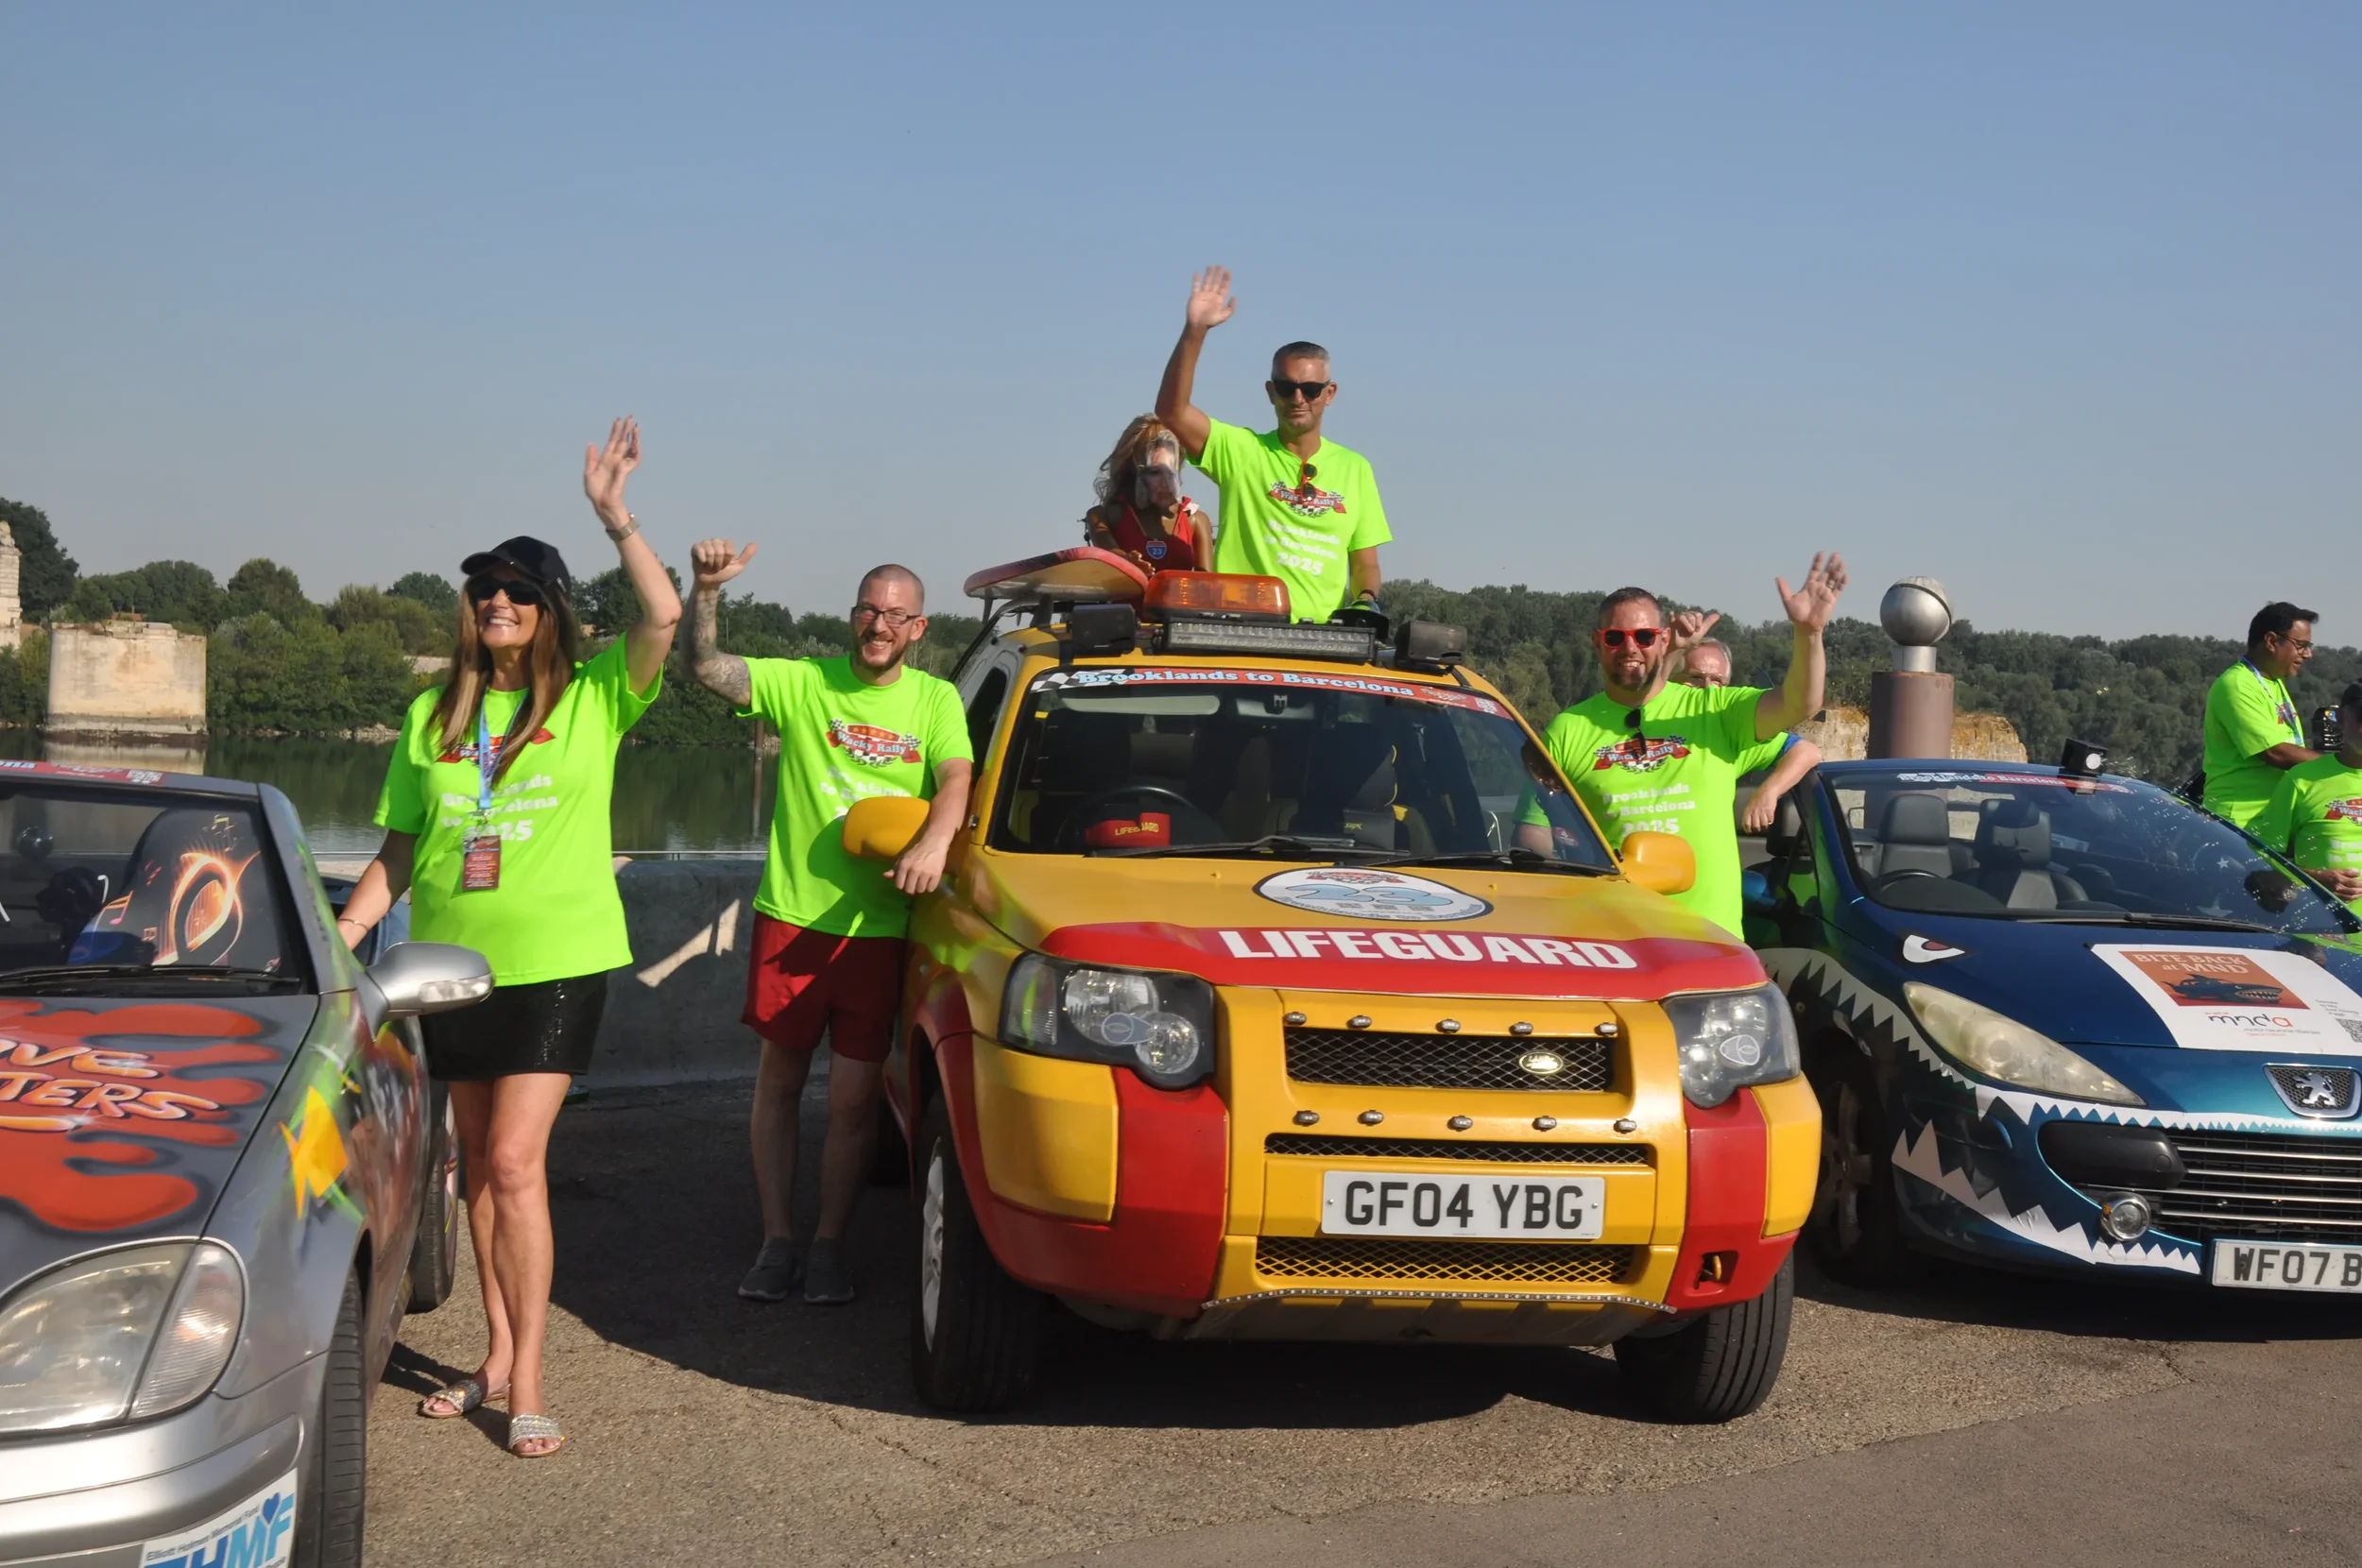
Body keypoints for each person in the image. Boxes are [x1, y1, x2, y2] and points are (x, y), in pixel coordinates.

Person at [339, 418, 680, 1458]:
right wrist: (344, 931)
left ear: (549, 614)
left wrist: (615, 516)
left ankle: (526, 1376)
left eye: (519, 591)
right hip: (449, 972)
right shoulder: (430, 718)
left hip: (559, 966)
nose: (498, 601)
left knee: (519, 1161)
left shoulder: (593, 700)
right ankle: (492, 1350)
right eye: (485, 589)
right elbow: (400, 848)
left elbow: (665, 612)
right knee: (476, 1169)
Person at [686, 542, 974, 1306]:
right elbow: (707, 669)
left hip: (877, 930)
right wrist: (706, 593)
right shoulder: (806, 682)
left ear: (918, 627)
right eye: (867, 610)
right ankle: (777, 1239)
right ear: (854, 618)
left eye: (893, 614)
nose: (877, 624)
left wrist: (939, 839)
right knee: (778, 1083)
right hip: (793, 919)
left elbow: (956, 780)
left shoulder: (935, 702)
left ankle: (829, 1247)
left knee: (852, 1102)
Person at [1515, 556, 1849, 936]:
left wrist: (1808, 633)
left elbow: (1799, 703)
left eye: (1642, 637)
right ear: (1597, 643)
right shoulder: (1566, 730)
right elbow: (1533, 833)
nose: (1630, 647)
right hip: (1612, 940)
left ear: (1662, 640)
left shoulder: (1715, 710)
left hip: (1710, 943)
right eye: (1615, 637)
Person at [1153, 266, 1390, 622]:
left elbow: (1364, 561)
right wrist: (1195, 331)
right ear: (1270, 392)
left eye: (1310, 389)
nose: (1298, 398)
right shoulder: (1242, 451)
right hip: (1240, 628)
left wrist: (1366, 599)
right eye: (1286, 387)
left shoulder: (1356, 469)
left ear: (1330, 394)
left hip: (1322, 642)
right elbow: (1171, 411)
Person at [1672, 637, 1825, 833]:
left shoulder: (1729, 734)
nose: (1707, 688)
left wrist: (1769, 792)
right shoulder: (1643, 723)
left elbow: (1807, 751)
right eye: (1695, 678)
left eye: (1717, 681)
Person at [2201, 602, 2319, 827]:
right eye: (2301, 645)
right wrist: (2340, 767)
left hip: (2270, 821)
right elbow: (2275, 752)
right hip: (2238, 825)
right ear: (2272, 641)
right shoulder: (2236, 684)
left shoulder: (2274, 682)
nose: (2308, 654)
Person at [2249, 681, 2362, 909]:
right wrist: (2316, 879)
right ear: (2340, 718)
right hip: (2324, 937)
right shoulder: (2302, 780)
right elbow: (2261, 860)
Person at [1084, 416, 1207, 573]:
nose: (1164, 482)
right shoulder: (1105, 516)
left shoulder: (1195, 520)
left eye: (1170, 472)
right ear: (1134, 468)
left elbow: (1205, 584)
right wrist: (1128, 561)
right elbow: (1110, 555)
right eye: (1154, 472)